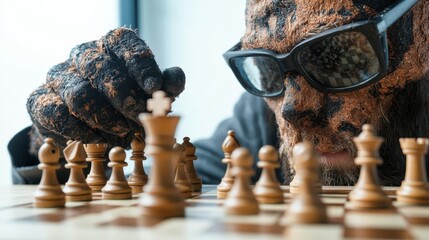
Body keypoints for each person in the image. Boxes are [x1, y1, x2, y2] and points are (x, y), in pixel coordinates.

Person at [9, 0, 429, 186]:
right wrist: (66, 141)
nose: (294, 109)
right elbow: (162, 186)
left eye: (337, 55)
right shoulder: (259, 117)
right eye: (265, 65)